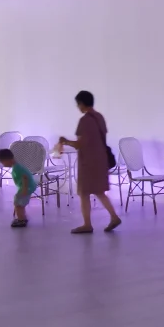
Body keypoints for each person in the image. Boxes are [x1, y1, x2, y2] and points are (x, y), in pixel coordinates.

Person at [59, 90, 122, 234]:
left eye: (78, 104)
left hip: (88, 162)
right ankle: (114, 217)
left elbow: (80, 144)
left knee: (84, 193)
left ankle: (87, 224)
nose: (78, 107)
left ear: (81, 103)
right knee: (99, 191)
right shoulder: (99, 117)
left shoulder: (85, 120)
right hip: (101, 159)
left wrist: (65, 141)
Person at [0, 148, 37, 228]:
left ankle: (21, 220)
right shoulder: (17, 166)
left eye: (2, 162)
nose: (2, 164)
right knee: (20, 204)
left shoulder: (17, 168)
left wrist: (24, 189)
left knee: (18, 205)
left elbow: (25, 178)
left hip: (26, 188)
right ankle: (22, 218)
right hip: (26, 187)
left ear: (8, 160)